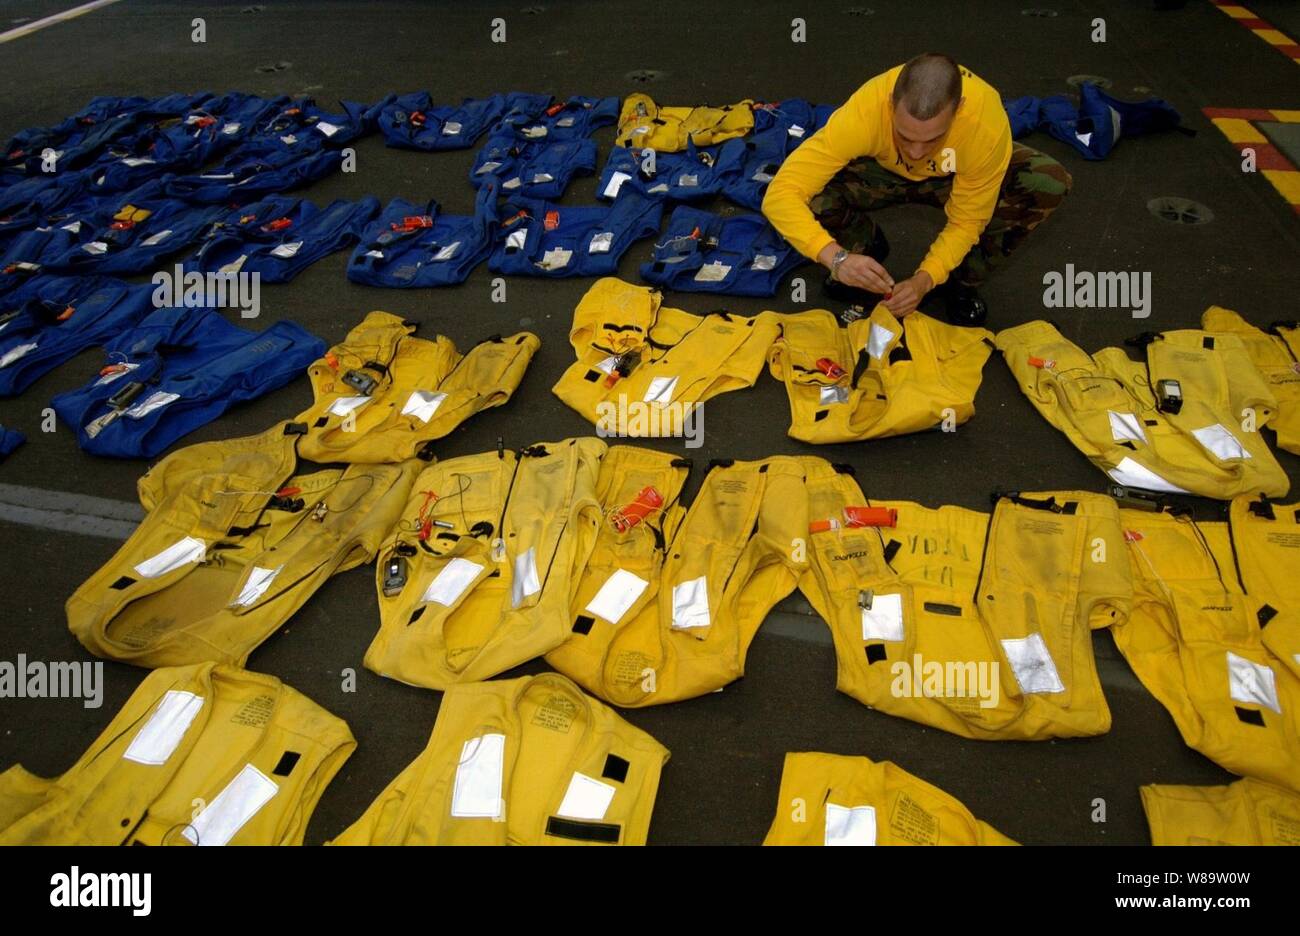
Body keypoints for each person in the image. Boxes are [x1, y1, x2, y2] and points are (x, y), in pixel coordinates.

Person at [762, 52, 1072, 326]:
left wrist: (925, 281)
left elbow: (967, 222)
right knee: (813, 192)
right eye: (905, 135)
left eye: (933, 138)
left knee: (1045, 181)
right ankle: (863, 251)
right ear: (890, 104)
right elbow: (780, 194)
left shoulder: (985, 125)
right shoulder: (865, 111)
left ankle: (958, 280)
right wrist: (835, 258)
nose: (916, 153)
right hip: (880, 171)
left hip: (954, 175)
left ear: (959, 109)